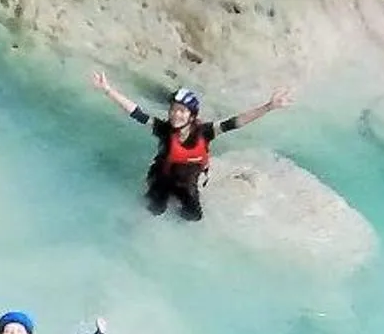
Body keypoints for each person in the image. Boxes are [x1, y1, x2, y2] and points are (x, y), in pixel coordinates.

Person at [88, 70, 294, 221]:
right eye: (174, 110)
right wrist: (108, 90)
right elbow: (136, 113)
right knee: (152, 212)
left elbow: (236, 122)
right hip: (162, 178)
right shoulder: (164, 129)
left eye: (182, 111)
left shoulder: (205, 132)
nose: (176, 114)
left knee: (193, 217)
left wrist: (268, 107)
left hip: (188, 183)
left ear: (191, 116)